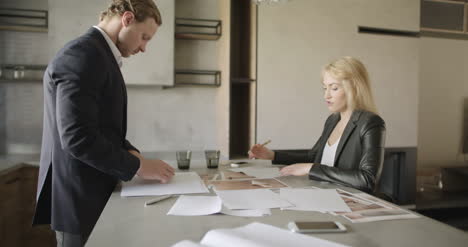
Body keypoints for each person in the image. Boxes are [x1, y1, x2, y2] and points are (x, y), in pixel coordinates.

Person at [32, 1, 175, 246]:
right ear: (127, 19)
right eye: (144, 37)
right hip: (80, 200)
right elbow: (77, 137)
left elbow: (100, 124)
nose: (143, 48)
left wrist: (130, 152)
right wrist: (137, 166)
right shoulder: (82, 55)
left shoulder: (98, 55)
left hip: (92, 196)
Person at [249, 56, 386, 193]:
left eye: (334, 88)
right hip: (324, 194)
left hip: (349, 202)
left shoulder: (371, 123)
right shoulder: (333, 120)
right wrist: (272, 155)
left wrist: (311, 168)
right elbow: (313, 157)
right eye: (324, 88)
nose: (326, 96)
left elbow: (367, 179)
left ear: (354, 88)